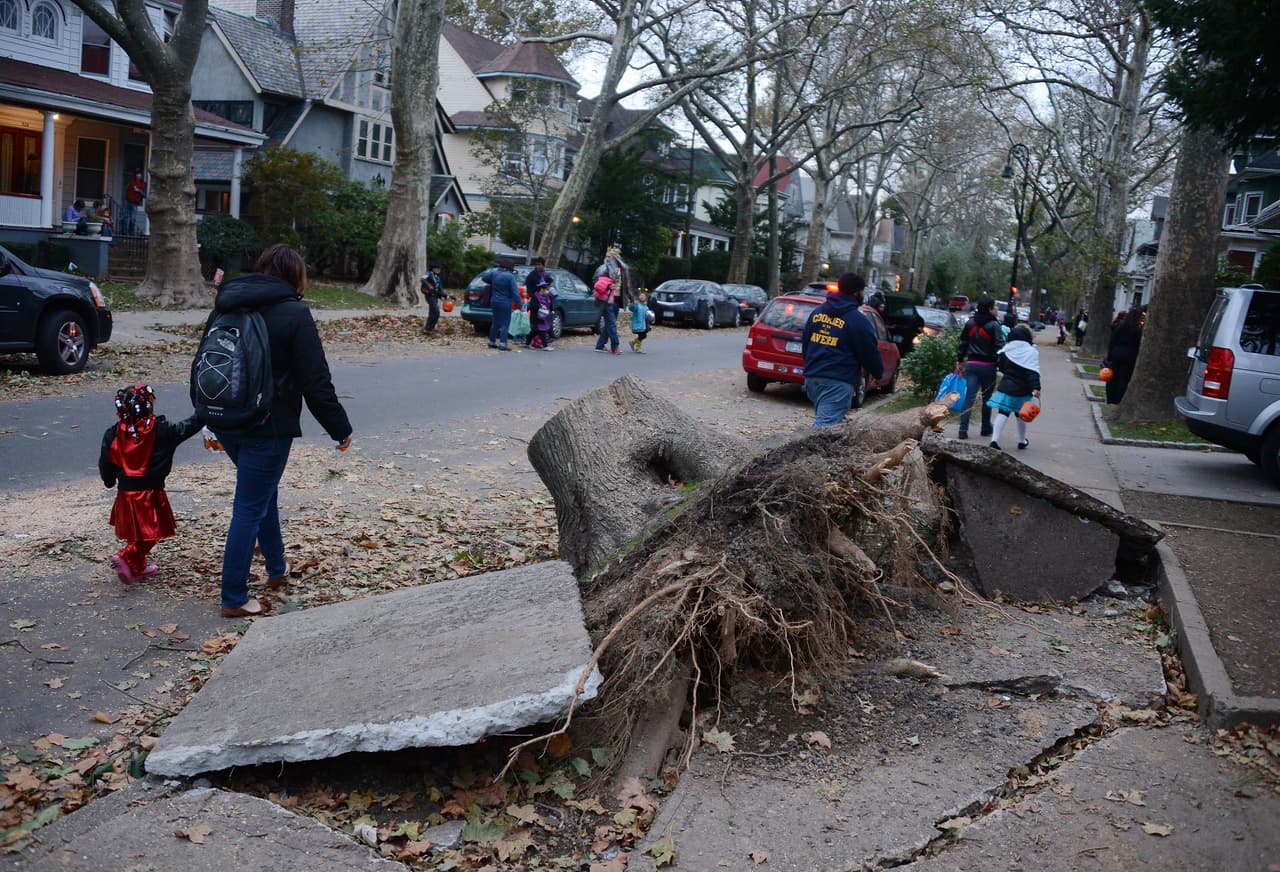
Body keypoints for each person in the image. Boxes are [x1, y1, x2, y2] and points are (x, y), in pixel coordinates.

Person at [210, 244, 352, 618]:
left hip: (226, 419)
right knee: (249, 506)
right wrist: (340, 428)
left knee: (261, 494)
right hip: (267, 426)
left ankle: (277, 568)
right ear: (296, 277)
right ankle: (234, 597)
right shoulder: (294, 314)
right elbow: (316, 381)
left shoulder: (229, 304)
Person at [98, 385, 201, 584]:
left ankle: (137, 566)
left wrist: (109, 480)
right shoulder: (163, 430)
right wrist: (207, 412)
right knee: (153, 530)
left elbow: (106, 461)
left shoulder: (113, 433)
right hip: (150, 491)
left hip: (126, 491)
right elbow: (189, 426)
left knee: (139, 530)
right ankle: (127, 557)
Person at [801, 272, 884, 428]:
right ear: (855, 293)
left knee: (828, 422)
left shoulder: (817, 313)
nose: (863, 295)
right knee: (824, 429)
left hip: (813, 378)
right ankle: (802, 451)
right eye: (862, 291)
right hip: (837, 381)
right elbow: (868, 351)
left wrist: (810, 365)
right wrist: (878, 373)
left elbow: (806, 343)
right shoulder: (858, 320)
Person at [956, 295, 1005, 439]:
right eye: (995, 306)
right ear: (989, 309)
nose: (997, 309)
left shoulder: (970, 323)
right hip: (988, 367)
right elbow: (999, 346)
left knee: (969, 397)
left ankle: (962, 430)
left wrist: (959, 359)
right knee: (987, 398)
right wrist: (1002, 364)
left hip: (971, 365)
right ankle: (985, 427)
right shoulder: (994, 325)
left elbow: (963, 343)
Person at [987, 324, 1041, 451]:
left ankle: (994, 440)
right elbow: (1032, 372)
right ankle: (1022, 441)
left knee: (1003, 413)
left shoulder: (1007, 351)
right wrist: (1036, 388)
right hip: (1023, 391)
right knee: (1021, 415)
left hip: (1007, 388)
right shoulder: (1031, 352)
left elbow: (1001, 366)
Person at [593, 247, 630, 354]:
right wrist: (607, 285)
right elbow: (595, 281)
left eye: (610, 256)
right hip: (607, 299)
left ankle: (600, 346)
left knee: (609, 324)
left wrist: (631, 297)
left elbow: (627, 284)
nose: (607, 258)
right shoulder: (603, 268)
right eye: (607, 256)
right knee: (612, 323)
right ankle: (615, 347)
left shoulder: (622, 269)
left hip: (617, 300)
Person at [1105, 307, 1144, 404]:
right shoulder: (1137, 330)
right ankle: (1118, 399)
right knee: (1123, 379)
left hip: (1116, 355)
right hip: (1129, 357)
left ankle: (1110, 399)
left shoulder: (1119, 326)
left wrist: (1110, 356)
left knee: (1112, 378)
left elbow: (1112, 341)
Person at [481, 257, 520, 351]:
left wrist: (492, 281)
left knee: (495, 322)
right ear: (509, 268)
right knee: (505, 324)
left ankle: (492, 342)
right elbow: (515, 292)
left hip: (494, 301)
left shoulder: (494, 273)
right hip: (505, 302)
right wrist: (520, 304)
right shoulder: (510, 276)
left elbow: (484, 277)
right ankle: (503, 344)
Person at [530, 272, 557, 351]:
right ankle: (545, 345)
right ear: (542, 289)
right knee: (542, 331)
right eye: (547, 289)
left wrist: (551, 310)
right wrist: (540, 306)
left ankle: (528, 342)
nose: (548, 291)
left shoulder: (546, 296)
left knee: (535, 331)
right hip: (537, 317)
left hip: (544, 316)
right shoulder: (535, 296)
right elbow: (533, 306)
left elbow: (550, 304)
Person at [420, 260, 446, 334]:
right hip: (430, 295)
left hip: (435, 296)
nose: (438, 270)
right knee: (436, 312)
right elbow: (423, 279)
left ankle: (429, 328)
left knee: (433, 312)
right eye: (436, 268)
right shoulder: (429, 274)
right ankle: (428, 328)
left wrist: (445, 295)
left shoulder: (438, 277)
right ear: (432, 268)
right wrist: (429, 286)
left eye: (439, 268)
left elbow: (440, 288)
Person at [124, 169, 146, 235]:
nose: (138, 175)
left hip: (135, 203)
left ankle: (131, 233)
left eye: (139, 174)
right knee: (125, 217)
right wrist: (125, 197)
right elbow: (126, 189)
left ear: (141, 175)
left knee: (132, 218)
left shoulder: (143, 184)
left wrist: (139, 190)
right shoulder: (131, 181)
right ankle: (124, 232)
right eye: (137, 174)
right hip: (127, 201)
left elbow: (145, 195)